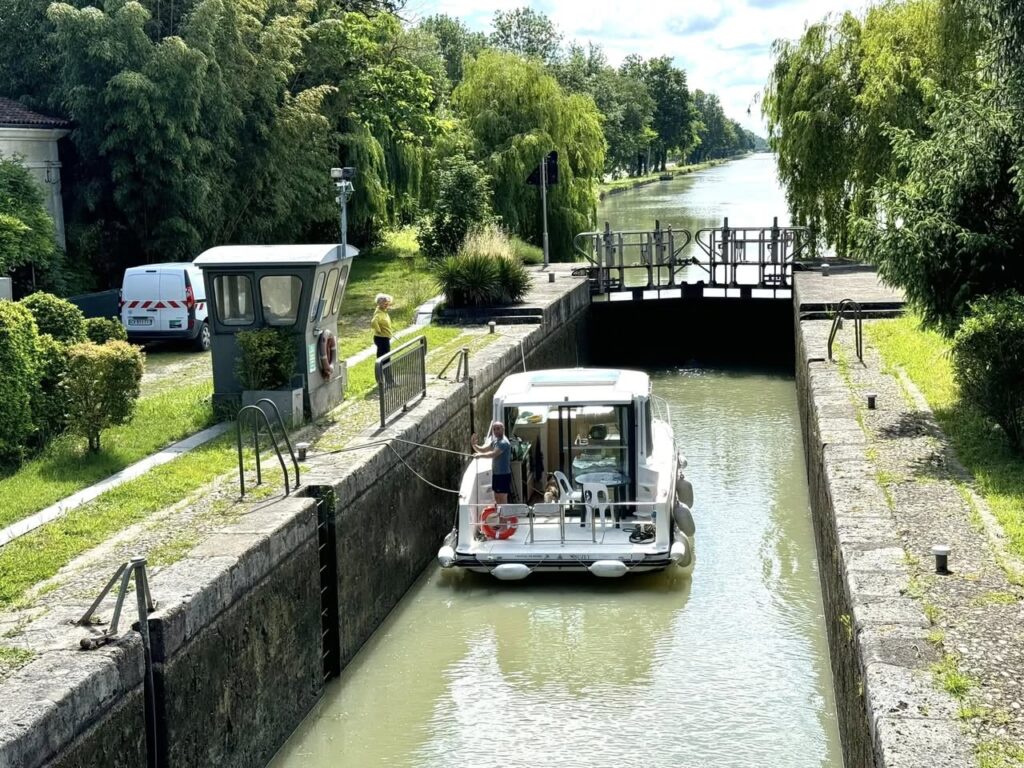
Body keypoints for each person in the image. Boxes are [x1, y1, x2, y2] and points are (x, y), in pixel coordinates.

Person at [471, 421, 512, 506]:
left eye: (498, 429)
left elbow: (493, 454)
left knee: (502, 497)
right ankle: (502, 518)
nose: (496, 431)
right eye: (494, 429)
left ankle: (504, 519)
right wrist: (474, 445)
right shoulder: (495, 441)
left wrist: (480, 456)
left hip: (503, 475)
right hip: (496, 474)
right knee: (497, 497)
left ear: (503, 429)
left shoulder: (503, 443)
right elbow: (483, 449)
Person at [371, 293, 394, 385]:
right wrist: (379, 330)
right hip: (381, 339)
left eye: (388, 302)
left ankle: (386, 380)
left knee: (384, 359)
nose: (387, 304)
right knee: (385, 360)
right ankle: (388, 381)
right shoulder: (379, 313)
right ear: (379, 303)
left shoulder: (383, 312)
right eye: (384, 303)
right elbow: (373, 322)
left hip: (385, 338)